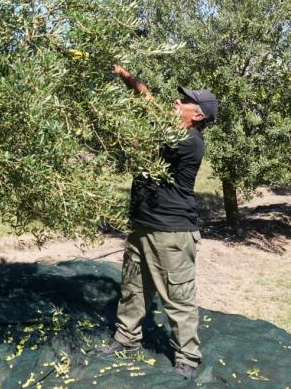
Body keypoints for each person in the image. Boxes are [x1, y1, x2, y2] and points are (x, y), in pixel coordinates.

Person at [98, 65, 218, 380]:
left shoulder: (190, 141)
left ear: (198, 116)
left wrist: (137, 89)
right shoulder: (174, 130)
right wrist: (129, 80)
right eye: (180, 98)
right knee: (133, 288)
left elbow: (153, 114)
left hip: (172, 232)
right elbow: (149, 104)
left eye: (185, 101)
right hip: (142, 224)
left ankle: (187, 357)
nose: (178, 102)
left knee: (177, 297)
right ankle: (127, 340)